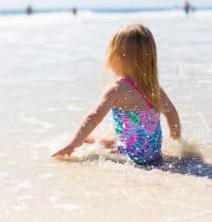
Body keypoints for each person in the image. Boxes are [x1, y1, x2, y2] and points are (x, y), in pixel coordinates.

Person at [52, 24, 181, 165]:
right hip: (154, 156)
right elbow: (172, 113)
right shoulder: (154, 88)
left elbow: (93, 118)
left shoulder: (117, 89)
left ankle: (69, 144)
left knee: (84, 138)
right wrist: (176, 141)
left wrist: (73, 144)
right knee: (110, 140)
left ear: (116, 58)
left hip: (130, 157)